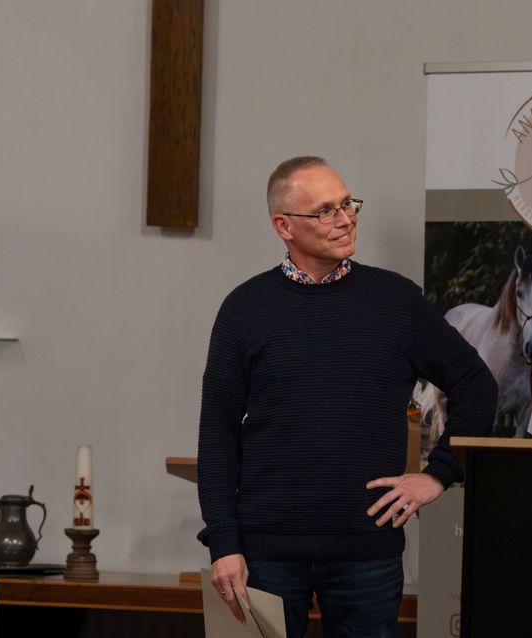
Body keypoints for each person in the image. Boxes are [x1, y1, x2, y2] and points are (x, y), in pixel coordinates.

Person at [196, 156, 497, 638]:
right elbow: (217, 432)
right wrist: (223, 544)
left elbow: (476, 384)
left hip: (366, 553)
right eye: (325, 210)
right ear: (284, 226)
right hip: (262, 556)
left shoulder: (395, 301)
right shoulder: (244, 310)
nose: (345, 218)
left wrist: (440, 473)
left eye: (347, 204)